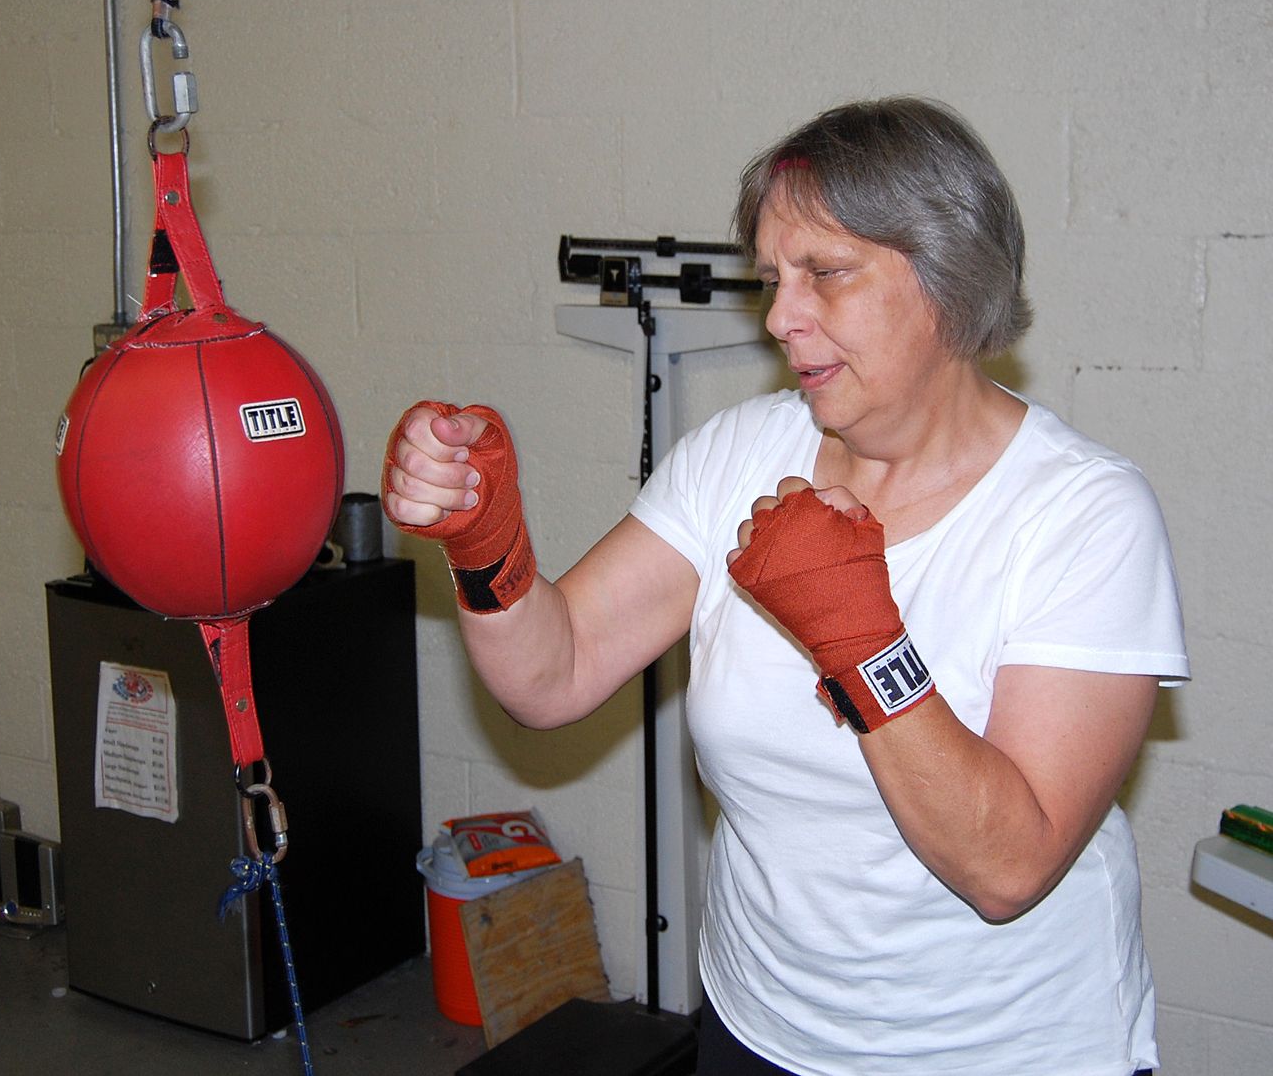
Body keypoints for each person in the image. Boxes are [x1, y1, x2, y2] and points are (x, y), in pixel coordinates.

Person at [382, 97, 1188, 1076]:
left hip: (1002, 1051)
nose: (778, 316)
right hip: (759, 1030)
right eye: (772, 279)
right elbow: (555, 676)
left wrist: (860, 638)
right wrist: (485, 545)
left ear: (948, 278)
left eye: (825, 273)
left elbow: (1007, 866)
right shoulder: (737, 456)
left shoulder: (1082, 515)